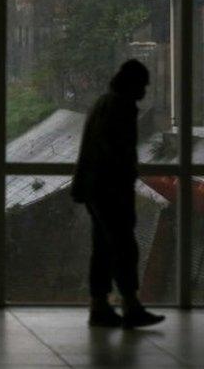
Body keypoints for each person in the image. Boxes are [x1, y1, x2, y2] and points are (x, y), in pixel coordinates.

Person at [71, 59, 165, 328]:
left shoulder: (103, 103)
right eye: (143, 85)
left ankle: (100, 305)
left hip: (94, 189)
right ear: (133, 84)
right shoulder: (119, 108)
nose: (145, 91)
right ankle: (129, 304)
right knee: (124, 247)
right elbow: (116, 154)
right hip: (110, 190)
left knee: (103, 248)